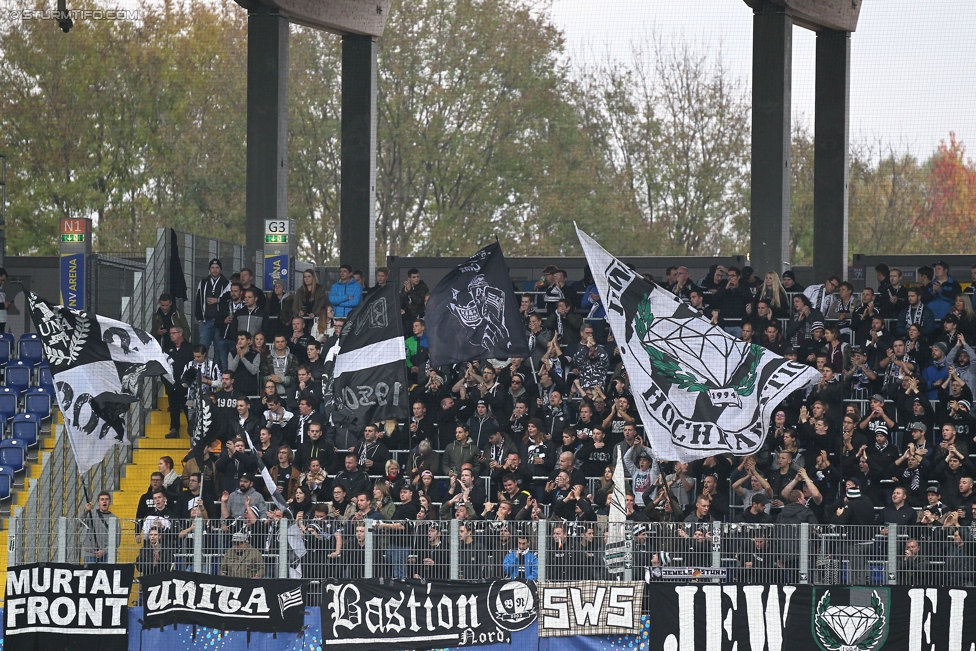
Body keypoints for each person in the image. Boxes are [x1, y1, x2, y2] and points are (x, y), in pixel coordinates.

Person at [163, 326, 194, 438]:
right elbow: (163, 367)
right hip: (172, 385)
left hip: (185, 387)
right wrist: (167, 382)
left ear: (181, 334)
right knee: (173, 408)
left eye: (174, 333)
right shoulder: (167, 349)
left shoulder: (190, 348)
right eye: (170, 333)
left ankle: (193, 430)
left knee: (188, 408)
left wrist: (187, 383)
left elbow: (193, 368)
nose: (171, 335)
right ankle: (174, 429)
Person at [83, 491, 120, 564]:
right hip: (90, 554)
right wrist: (85, 511)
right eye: (102, 499)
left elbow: (117, 540)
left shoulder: (114, 518)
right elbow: (79, 523)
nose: (104, 501)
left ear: (110, 502)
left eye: (107, 499)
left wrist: (104, 551)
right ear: (98, 502)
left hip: (107, 556)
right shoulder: (91, 515)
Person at [0, 268, 13, 333]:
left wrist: (6, 306)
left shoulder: (2, 293)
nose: (2, 283)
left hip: (2, 320)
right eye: (1, 280)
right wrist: (3, 305)